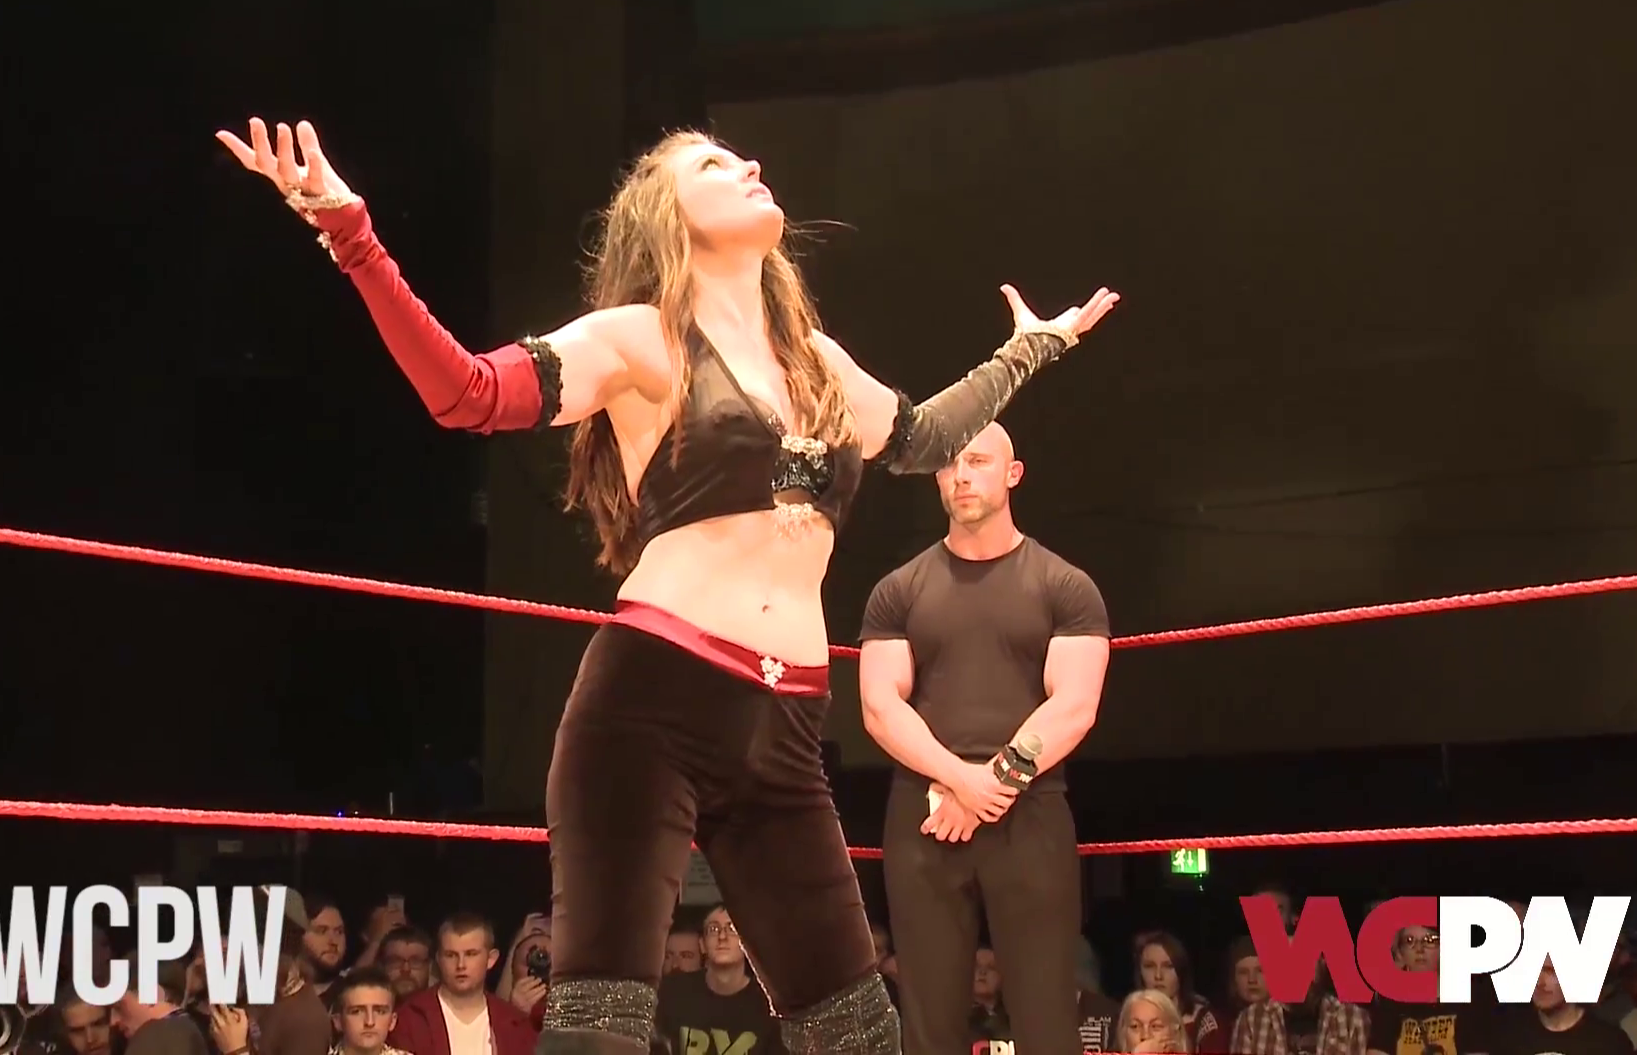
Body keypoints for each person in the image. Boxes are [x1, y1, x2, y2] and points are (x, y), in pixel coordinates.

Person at [216, 117, 1120, 1055]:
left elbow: (923, 438)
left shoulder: (819, 363)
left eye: (743, 157)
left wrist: (1030, 349)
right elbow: (469, 393)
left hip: (786, 729)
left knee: (857, 1036)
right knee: (600, 1029)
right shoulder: (641, 340)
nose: (751, 164)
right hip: (654, 703)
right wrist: (352, 233)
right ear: (668, 215)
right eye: (715, 165)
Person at [857, 422, 1112, 1055]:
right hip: (927, 812)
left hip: (1028, 811)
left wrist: (989, 785)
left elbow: (1075, 705)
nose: (962, 475)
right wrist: (961, 781)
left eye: (977, 461)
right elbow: (879, 706)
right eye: (949, 464)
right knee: (927, 1023)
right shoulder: (899, 589)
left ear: (1013, 473)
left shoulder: (1065, 585)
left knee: (1047, 1018)